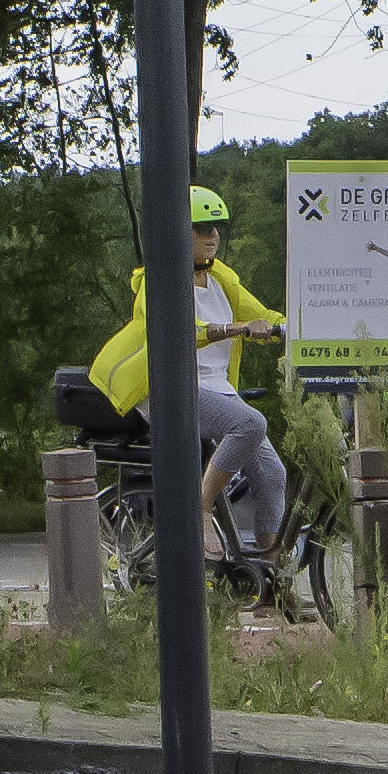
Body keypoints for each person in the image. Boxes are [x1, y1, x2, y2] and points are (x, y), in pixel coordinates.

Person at [89, 189, 290, 565]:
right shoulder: (158, 280)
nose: (213, 235)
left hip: (216, 389)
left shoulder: (221, 280)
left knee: (272, 475)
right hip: (169, 389)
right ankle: (201, 506)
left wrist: (292, 329)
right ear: (181, 232)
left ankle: (270, 577)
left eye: (216, 227)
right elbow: (181, 328)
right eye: (201, 228)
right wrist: (235, 328)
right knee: (250, 423)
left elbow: (260, 314)